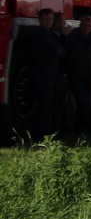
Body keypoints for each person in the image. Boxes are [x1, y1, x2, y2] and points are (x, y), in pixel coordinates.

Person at [18, 8, 67, 140]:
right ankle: (39, 136)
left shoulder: (49, 33)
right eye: (46, 19)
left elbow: (61, 49)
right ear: (40, 20)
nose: (48, 22)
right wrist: (59, 51)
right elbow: (57, 50)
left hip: (50, 75)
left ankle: (48, 134)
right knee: (42, 107)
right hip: (42, 75)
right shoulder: (38, 34)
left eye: (50, 19)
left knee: (50, 106)